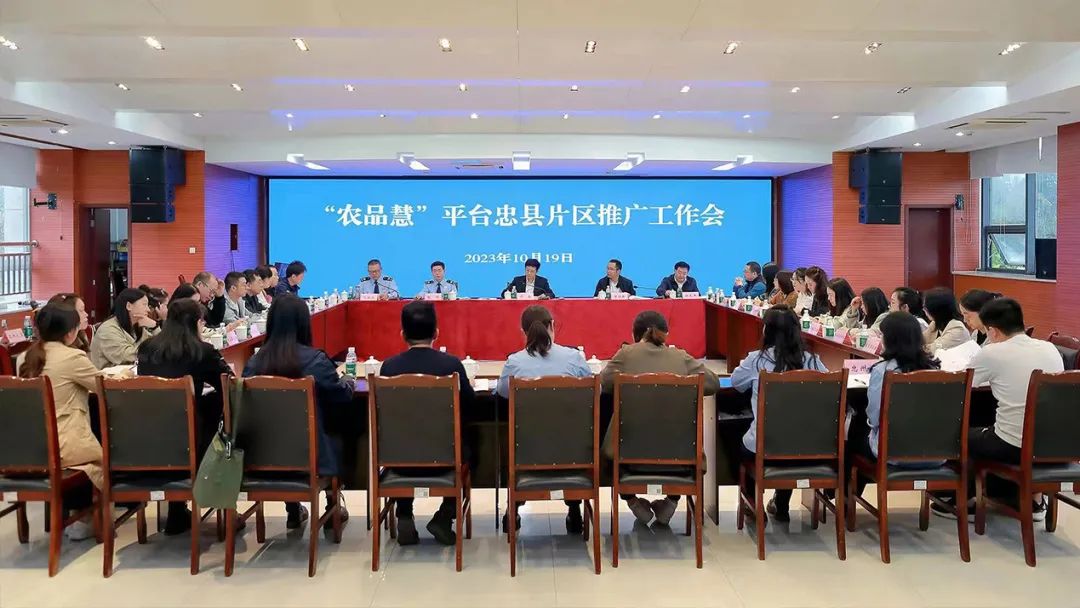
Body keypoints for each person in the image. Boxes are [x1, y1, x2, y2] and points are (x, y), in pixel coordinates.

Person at [932, 298, 1063, 519]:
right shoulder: (1049, 348)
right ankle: (1033, 500)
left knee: (960, 436)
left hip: (1014, 445)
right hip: (1059, 444)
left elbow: (958, 387)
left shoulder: (993, 352)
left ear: (992, 331)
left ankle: (966, 502)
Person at [243, 295, 354, 530]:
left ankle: (293, 509)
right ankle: (332, 504)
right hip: (310, 455)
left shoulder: (253, 364)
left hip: (260, 454)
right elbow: (341, 396)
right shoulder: (315, 361)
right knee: (338, 424)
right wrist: (348, 381)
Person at [600, 310, 719, 526]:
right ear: (665, 334)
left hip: (628, 456)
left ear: (636, 334)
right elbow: (712, 384)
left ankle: (633, 502)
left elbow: (605, 384)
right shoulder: (680, 357)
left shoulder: (626, 354)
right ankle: (671, 502)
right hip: (679, 457)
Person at [379, 301, 475, 546]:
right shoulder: (451, 366)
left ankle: (404, 514)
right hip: (445, 459)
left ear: (403, 334)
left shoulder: (389, 367)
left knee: (406, 437)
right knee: (473, 443)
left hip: (398, 461)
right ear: (436, 333)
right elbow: (470, 405)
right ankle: (445, 516)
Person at [137, 298, 233, 535]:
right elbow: (229, 385)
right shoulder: (201, 351)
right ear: (197, 323)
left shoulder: (147, 348)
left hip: (146, 439)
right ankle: (222, 501)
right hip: (190, 443)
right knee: (215, 407)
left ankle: (177, 511)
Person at [497, 305, 593, 533]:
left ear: (523, 331)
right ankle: (574, 508)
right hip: (573, 452)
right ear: (552, 326)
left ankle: (514, 506)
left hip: (528, 451)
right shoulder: (574, 357)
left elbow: (501, 393)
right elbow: (594, 392)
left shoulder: (515, 362)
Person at [731, 306, 828, 522]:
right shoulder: (813, 361)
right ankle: (781, 504)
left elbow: (736, 383)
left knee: (739, 435)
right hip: (811, 447)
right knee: (792, 429)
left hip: (766, 447)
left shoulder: (756, 361)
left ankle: (751, 502)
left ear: (766, 330)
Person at [16, 301, 104, 540]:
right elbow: (103, 387)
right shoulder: (72, 357)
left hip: (28, 446)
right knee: (101, 448)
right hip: (63, 444)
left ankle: (76, 514)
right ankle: (84, 516)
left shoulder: (24, 357)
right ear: (70, 332)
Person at [851, 311, 942, 497]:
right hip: (937, 453)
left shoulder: (883, 370)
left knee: (852, 435)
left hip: (893, 452)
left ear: (890, 339)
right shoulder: (936, 370)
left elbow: (875, 417)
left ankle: (844, 500)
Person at [90, 288, 158, 368]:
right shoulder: (108, 329)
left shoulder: (137, 326)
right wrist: (154, 328)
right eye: (144, 304)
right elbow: (126, 356)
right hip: (108, 375)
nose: (148, 310)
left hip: (130, 373)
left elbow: (159, 345)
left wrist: (155, 328)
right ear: (129, 306)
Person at [923, 287, 972, 353]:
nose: (924, 310)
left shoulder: (957, 329)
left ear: (936, 310)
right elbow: (919, 340)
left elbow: (931, 350)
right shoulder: (935, 324)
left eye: (925, 307)